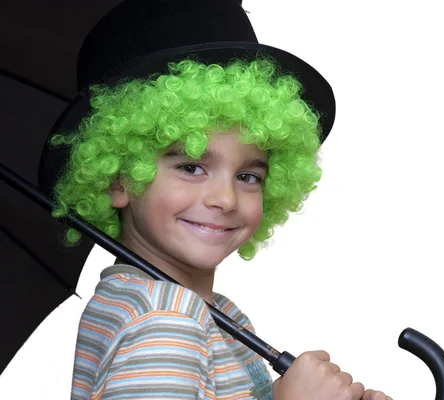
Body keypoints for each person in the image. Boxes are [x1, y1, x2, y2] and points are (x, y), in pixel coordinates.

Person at [40, 1, 392, 399]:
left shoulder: (202, 312)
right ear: (117, 179)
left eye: (247, 176)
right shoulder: (164, 322)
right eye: (191, 168)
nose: (225, 199)